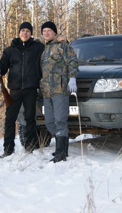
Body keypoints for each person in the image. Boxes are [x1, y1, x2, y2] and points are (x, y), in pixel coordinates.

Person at [0, 22, 45, 158]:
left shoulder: (38, 47)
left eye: (28, 31)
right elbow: (3, 65)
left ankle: (30, 148)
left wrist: (61, 40)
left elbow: (51, 50)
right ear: (18, 33)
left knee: (30, 118)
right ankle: (8, 150)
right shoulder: (10, 50)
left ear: (31, 33)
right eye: (22, 30)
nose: (25, 33)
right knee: (10, 119)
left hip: (31, 88)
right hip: (15, 90)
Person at [40, 21, 79, 163]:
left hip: (60, 89)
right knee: (50, 121)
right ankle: (62, 148)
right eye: (44, 31)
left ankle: (61, 152)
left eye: (49, 30)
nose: (46, 33)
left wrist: (72, 78)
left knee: (60, 120)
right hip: (47, 91)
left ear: (55, 33)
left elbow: (72, 61)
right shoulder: (44, 50)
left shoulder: (63, 46)